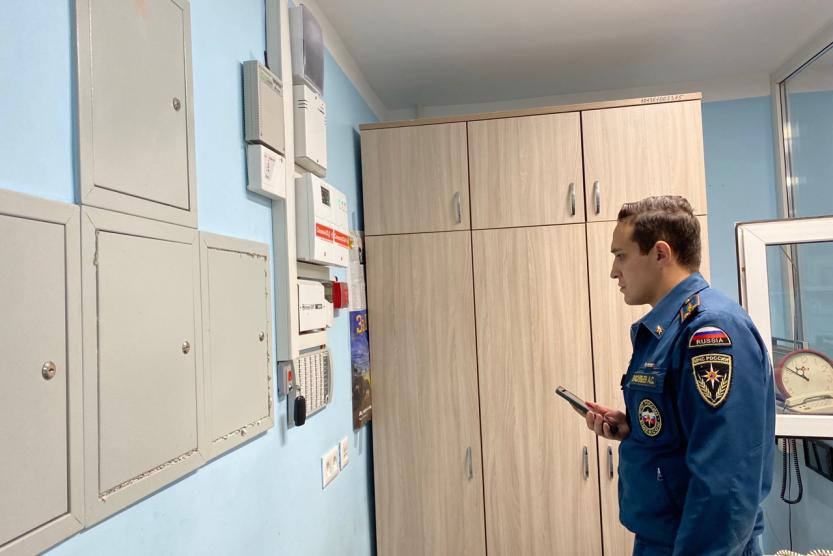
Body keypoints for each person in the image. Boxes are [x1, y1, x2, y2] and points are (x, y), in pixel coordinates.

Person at [583, 196, 775, 556]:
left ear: (660, 254)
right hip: (666, 537)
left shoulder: (711, 331)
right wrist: (635, 428)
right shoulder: (670, 328)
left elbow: (726, 478)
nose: (614, 271)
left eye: (621, 255)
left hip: (698, 542)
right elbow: (687, 431)